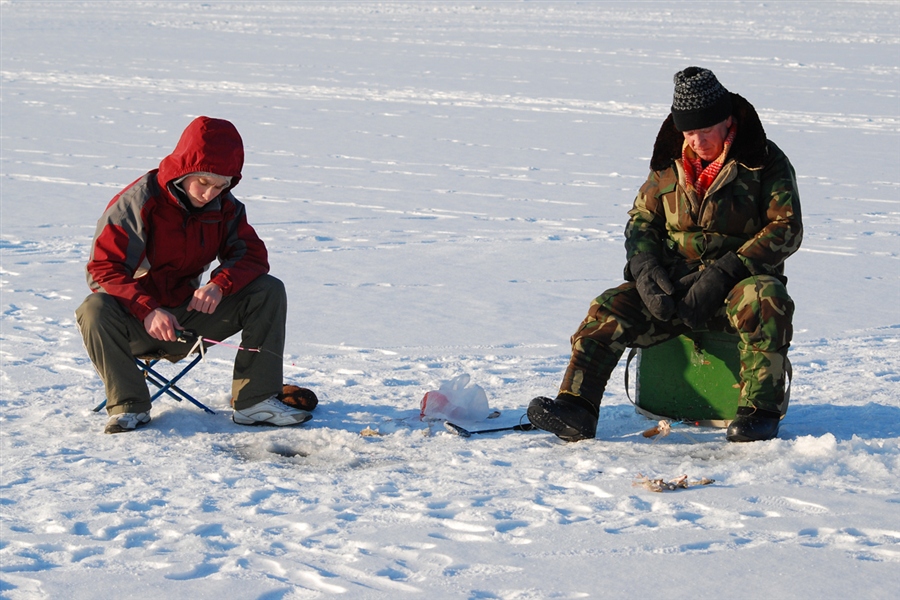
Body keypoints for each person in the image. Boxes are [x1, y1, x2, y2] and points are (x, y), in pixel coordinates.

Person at [527, 67, 802, 443]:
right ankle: (577, 407)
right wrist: (644, 267)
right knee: (608, 307)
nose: (696, 140)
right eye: (689, 132)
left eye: (705, 131)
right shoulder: (669, 161)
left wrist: (727, 271)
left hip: (737, 285)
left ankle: (759, 411)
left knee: (767, 300)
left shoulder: (764, 160)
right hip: (675, 287)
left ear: (727, 121)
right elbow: (642, 221)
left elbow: (786, 227)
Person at [76, 116, 313, 434]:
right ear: (184, 170)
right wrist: (146, 309)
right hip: (133, 323)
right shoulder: (137, 203)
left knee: (267, 289)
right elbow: (103, 269)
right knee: (94, 309)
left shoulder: (224, 206)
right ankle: (129, 406)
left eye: (221, 185)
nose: (209, 193)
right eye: (203, 182)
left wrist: (220, 284)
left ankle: (255, 402)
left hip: (188, 320)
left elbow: (252, 256)